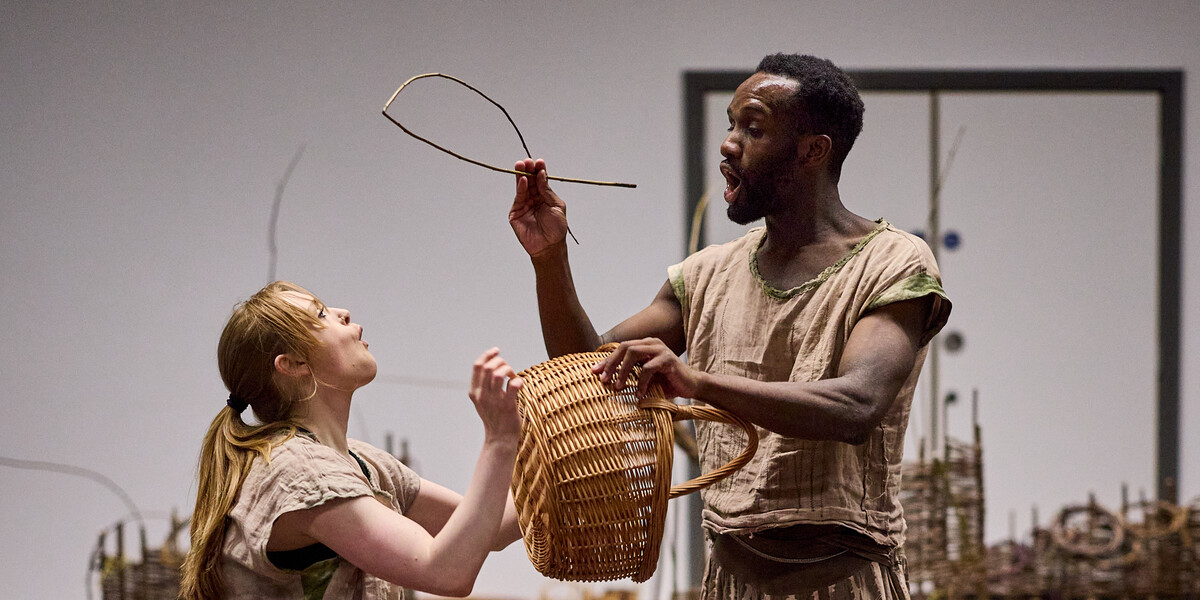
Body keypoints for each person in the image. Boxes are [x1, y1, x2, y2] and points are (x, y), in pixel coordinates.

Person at [507, 54, 951, 599]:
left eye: (754, 128)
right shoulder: (706, 274)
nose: (728, 144)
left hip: (847, 582)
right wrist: (550, 258)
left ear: (813, 150)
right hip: (730, 582)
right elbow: (587, 372)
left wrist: (697, 382)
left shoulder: (892, 264)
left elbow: (856, 407)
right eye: (730, 124)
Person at [180, 281, 524, 600]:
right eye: (320, 313)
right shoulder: (297, 472)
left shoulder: (362, 463)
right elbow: (447, 572)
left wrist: (561, 461)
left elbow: (490, 529)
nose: (343, 312)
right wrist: (499, 441)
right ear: (294, 363)